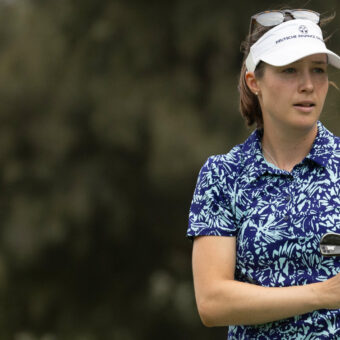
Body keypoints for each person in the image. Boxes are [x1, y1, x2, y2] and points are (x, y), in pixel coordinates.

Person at [187, 9, 340, 339]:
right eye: (289, 70)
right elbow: (212, 302)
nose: (308, 85)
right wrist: (321, 294)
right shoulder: (223, 175)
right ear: (254, 81)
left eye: (318, 70)